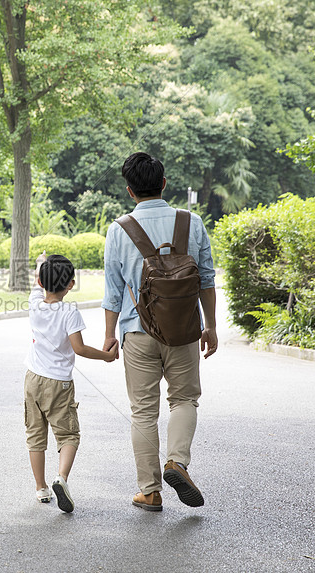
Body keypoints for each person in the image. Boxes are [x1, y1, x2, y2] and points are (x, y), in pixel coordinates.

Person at [101, 152, 218, 512]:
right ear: (164, 184)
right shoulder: (191, 222)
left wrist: (109, 336)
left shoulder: (119, 229)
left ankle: (150, 491)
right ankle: (177, 463)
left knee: (143, 412)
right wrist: (210, 326)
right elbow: (207, 280)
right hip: (183, 330)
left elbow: (113, 292)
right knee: (184, 399)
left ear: (130, 191)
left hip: (138, 331)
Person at [24, 252, 118, 513]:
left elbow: (37, 280)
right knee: (68, 435)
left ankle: (41, 488)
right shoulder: (69, 312)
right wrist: (107, 357)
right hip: (59, 384)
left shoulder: (34, 302)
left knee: (35, 434)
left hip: (32, 379)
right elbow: (79, 348)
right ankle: (61, 478)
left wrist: (40, 263)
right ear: (71, 285)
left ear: (42, 283)